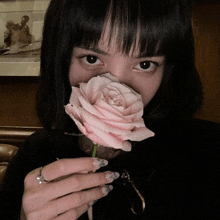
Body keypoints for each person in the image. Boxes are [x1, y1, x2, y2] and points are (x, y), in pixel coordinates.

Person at [2, 0, 220, 219]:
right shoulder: (35, 154)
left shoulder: (209, 151)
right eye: (91, 58)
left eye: (145, 64)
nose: (115, 87)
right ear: (61, 60)